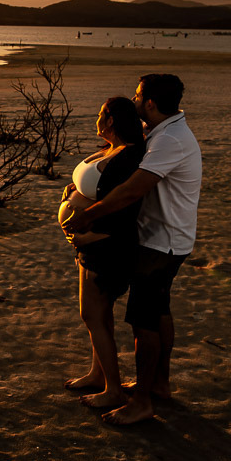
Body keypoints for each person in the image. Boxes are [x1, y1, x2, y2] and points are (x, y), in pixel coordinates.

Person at [63, 74, 202, 426]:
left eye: (139, 96)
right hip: (166, 239)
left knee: (145, 324)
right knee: (159, 313)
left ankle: (141, 401)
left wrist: (84, 218)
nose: (135, 101)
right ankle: (159, 384)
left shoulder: (169, 139)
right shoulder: (163, 133)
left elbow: (130, 192)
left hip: (161, 243)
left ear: (151, 103)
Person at [57, 97, 146, 410]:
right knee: (98, 315)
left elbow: (126, 208)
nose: (96, 118)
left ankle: (113, 389)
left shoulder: (129, 157)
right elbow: (95, 187)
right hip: (90, 245)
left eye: (99, 114)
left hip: (107, 247)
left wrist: (90, 236)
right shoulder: (113, 150)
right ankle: (99, 374)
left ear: (110, 120)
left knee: (93, 315)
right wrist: (72, 192)